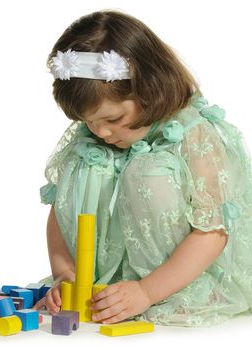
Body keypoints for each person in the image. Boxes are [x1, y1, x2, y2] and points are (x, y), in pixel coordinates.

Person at [32, 10, 252, 327]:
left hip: (182, 276)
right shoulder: (91, 140)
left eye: (113, 120)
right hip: (105, 284)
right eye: (89, 121)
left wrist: (147, 292)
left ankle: (159, 287)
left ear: (149, 89)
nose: (101, 132)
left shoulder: (193, 135)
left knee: (147, 172)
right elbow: (60, 210)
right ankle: (103, 285)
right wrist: (66, 274)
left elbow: (213, 233)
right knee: (84, 166)